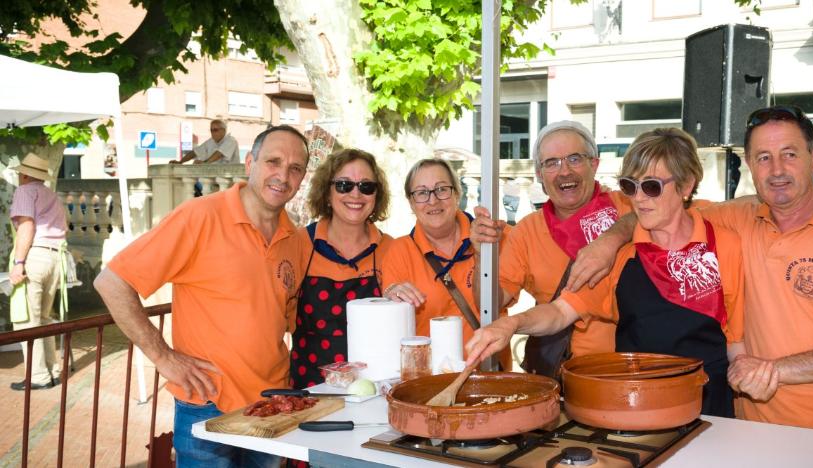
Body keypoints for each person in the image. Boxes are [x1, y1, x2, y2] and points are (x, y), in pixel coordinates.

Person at [572, 106, 813, 436]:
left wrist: (774, 371)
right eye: (763, 158)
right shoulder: (737, 220)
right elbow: (657, 209)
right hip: (748, 430)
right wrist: (609, 240)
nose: (777, 169)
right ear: (750, 166)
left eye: (790, 154)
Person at [466, 128, 744, 417]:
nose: (638, 198)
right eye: (630, 185)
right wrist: (512, 324)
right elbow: (560, 312)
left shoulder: (721, 242)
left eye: (651, 187)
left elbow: (736, 337)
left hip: (708, 405)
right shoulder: (620, 254)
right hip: (632, 399)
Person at [94, 125, 309, 467]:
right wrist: (162, 356)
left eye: (295, 168)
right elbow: (112, 282)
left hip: (271, 403)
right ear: (249, 163)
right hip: (207, 403)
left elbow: (284, 316)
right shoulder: (199, 217)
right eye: (273, 161)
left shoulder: (296, 239)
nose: (283, 175)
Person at [470, 120, 631, 378]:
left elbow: (673, 213)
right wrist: (481, 256)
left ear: (595, 164)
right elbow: (489, 302)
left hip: (628, 370)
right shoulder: (526, 231)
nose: (564, 171)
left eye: (574, 159)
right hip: (557, 376)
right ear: (539, 175)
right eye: (552, 163)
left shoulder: (627, 208)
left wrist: (613, 236)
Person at [381, 158, 511, 369]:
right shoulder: (399, 252)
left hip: (491, 374)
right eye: (422, 193)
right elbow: (392, 329)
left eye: (442, 189)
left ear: (457, 193)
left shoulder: (495, 237)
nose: (433, 201)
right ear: (411, 203)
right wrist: (389, 298)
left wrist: (481, 254)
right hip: (430, 379)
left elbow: (499, 304)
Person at [290, 148, 393, 389]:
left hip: (374, 391)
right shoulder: (299, 243)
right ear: (327, 192)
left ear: (376, 196)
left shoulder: (392, 249)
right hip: (310, 391)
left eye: (366, 186)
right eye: (344, 185)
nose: (356, 194)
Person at [8, 153, 67, 391]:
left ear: (23, 174)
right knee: (43, 318)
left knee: (27, 321)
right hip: (56, 257)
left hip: (35, 255)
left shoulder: (24, 191)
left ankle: (38, 376)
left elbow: (27, 227)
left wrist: (19, 262)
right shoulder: (51, 194)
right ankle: (52, 371)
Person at [170, 119, 241, 164]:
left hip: (229, 180)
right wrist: (180, 162)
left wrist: (205, 163)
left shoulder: (231, 140)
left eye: (215, 130)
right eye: (211, 130)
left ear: (223, 130)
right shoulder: (211, 141)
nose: (213, 132)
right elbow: (195, 152)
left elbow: (219, 154)